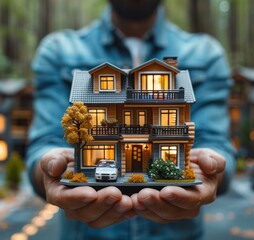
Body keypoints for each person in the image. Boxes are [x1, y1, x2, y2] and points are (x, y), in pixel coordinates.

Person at [27, 0, 235, 239]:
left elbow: (215, 144)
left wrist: (210, 169)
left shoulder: (205, 54)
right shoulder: (58, 50)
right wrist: (50, 170)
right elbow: (45, 144)